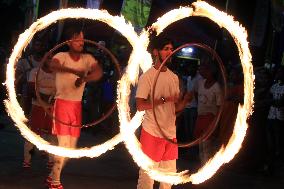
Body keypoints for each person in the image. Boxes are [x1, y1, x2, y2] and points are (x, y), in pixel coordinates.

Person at [46, 27, 103, 189]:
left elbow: (98, 72)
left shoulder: (87, 58)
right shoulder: (61, 56)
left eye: (83, 39)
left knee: (70, 148)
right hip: (62, 103)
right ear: (69, 41)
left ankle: (51, 177)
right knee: (63, 145)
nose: (81, 42)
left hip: (76, 106)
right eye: (78, 39)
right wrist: (73, 70)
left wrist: (86, 77)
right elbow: (53, 66)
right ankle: (55, 182)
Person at [135, 37, 192, 189]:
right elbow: (140, 105)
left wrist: (185, 102)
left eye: (171, 49)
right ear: (156, 52)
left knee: (168, 180)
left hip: (170, 134)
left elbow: (174, 109)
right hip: (152, 132)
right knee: (147, 178)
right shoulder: (147, 76)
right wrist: (163, 99)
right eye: (166, 48)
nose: (170, 52)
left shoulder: (174, 78)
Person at [22, 56, 56, 169]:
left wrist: (54, 99)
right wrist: (43, 98)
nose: (51, 61)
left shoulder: (57, 74)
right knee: (33, 133)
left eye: (53, 59)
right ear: (44, 59)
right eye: (48, 58)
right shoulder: (35, 72)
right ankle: (27, 159)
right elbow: (31, 89)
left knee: (51, 134)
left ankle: (51, 160)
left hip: (52, 108)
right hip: (38, 106)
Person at [192, 57, 222, 164]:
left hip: (210, 118)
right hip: (200, 117)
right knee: (200, 145)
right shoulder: (201, 82)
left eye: (203, 69)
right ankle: (202, 167)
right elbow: (195, 93)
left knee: (207, 146)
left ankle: (206, 168)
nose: (200, 71)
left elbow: (219, 107)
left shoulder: (216, 87)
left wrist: (215, 123)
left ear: (210, 71)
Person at [15, 37, 46, 116]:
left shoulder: (47, 62)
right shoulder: (24, 62)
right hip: (27, 95)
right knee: (26, 117)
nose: (40, 47)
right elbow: (16, 80)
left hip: (43, 95)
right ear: (33, 47)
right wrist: (25, 75)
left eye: (42, 45)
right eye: (37, 45)